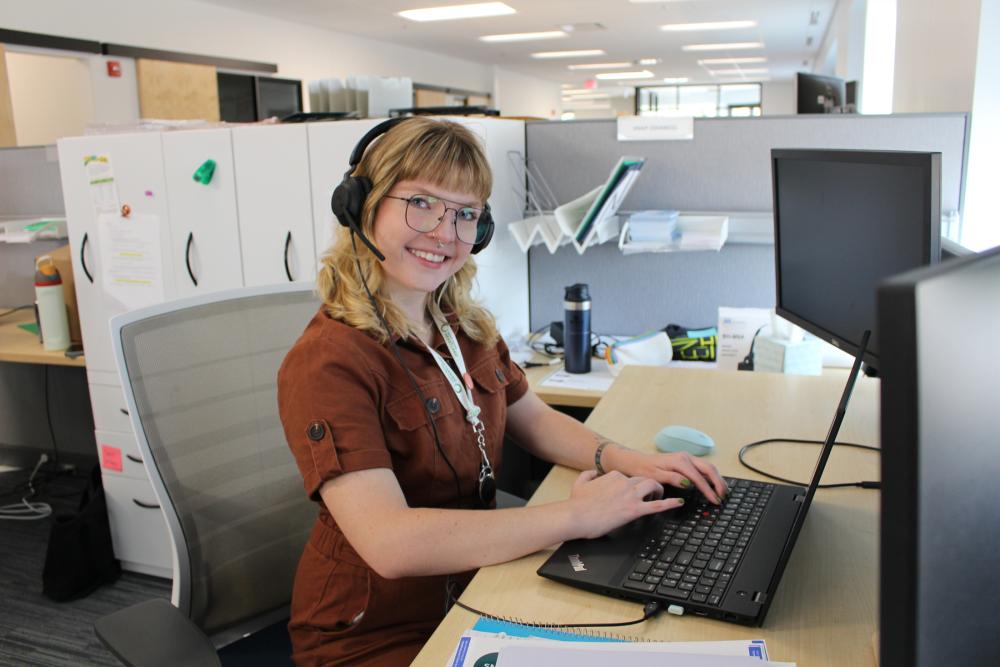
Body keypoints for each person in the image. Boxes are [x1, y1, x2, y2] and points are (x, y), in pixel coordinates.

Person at [277, 117, 728, 666]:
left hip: (479, 583)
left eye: (465, 214)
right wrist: (574, 517)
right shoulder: (330, 362)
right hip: (376, 632)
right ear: (362, 205)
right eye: (421, 203)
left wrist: (627, 460)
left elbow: (531, 418)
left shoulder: (460, 322)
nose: (445, 233)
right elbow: (389, 543)